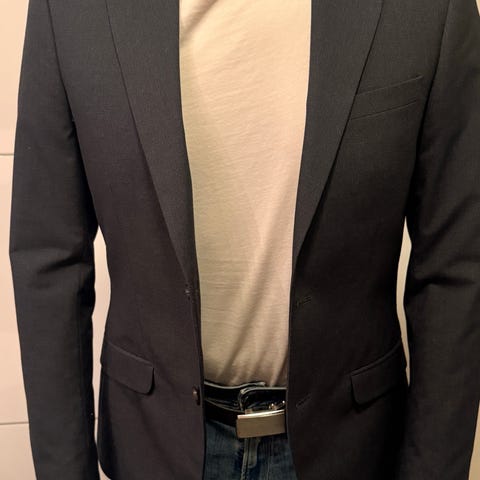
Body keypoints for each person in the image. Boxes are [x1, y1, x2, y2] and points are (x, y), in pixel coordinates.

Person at [8, 0, 480, 479]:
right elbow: (49, 256)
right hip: (154, 444)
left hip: (350, 446)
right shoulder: (71, 10)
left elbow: (456, 264)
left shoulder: (429, 9)